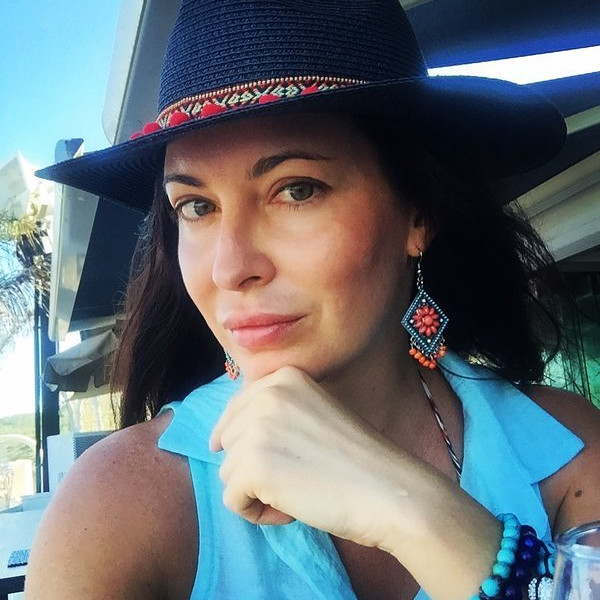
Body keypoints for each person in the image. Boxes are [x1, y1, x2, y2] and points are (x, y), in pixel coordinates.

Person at [26, 1, 600, 599]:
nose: (230, 268)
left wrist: (415, 512)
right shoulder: (118, 506)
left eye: (296, 190)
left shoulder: (567, 451)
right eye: (196, 206)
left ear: (418, 213)